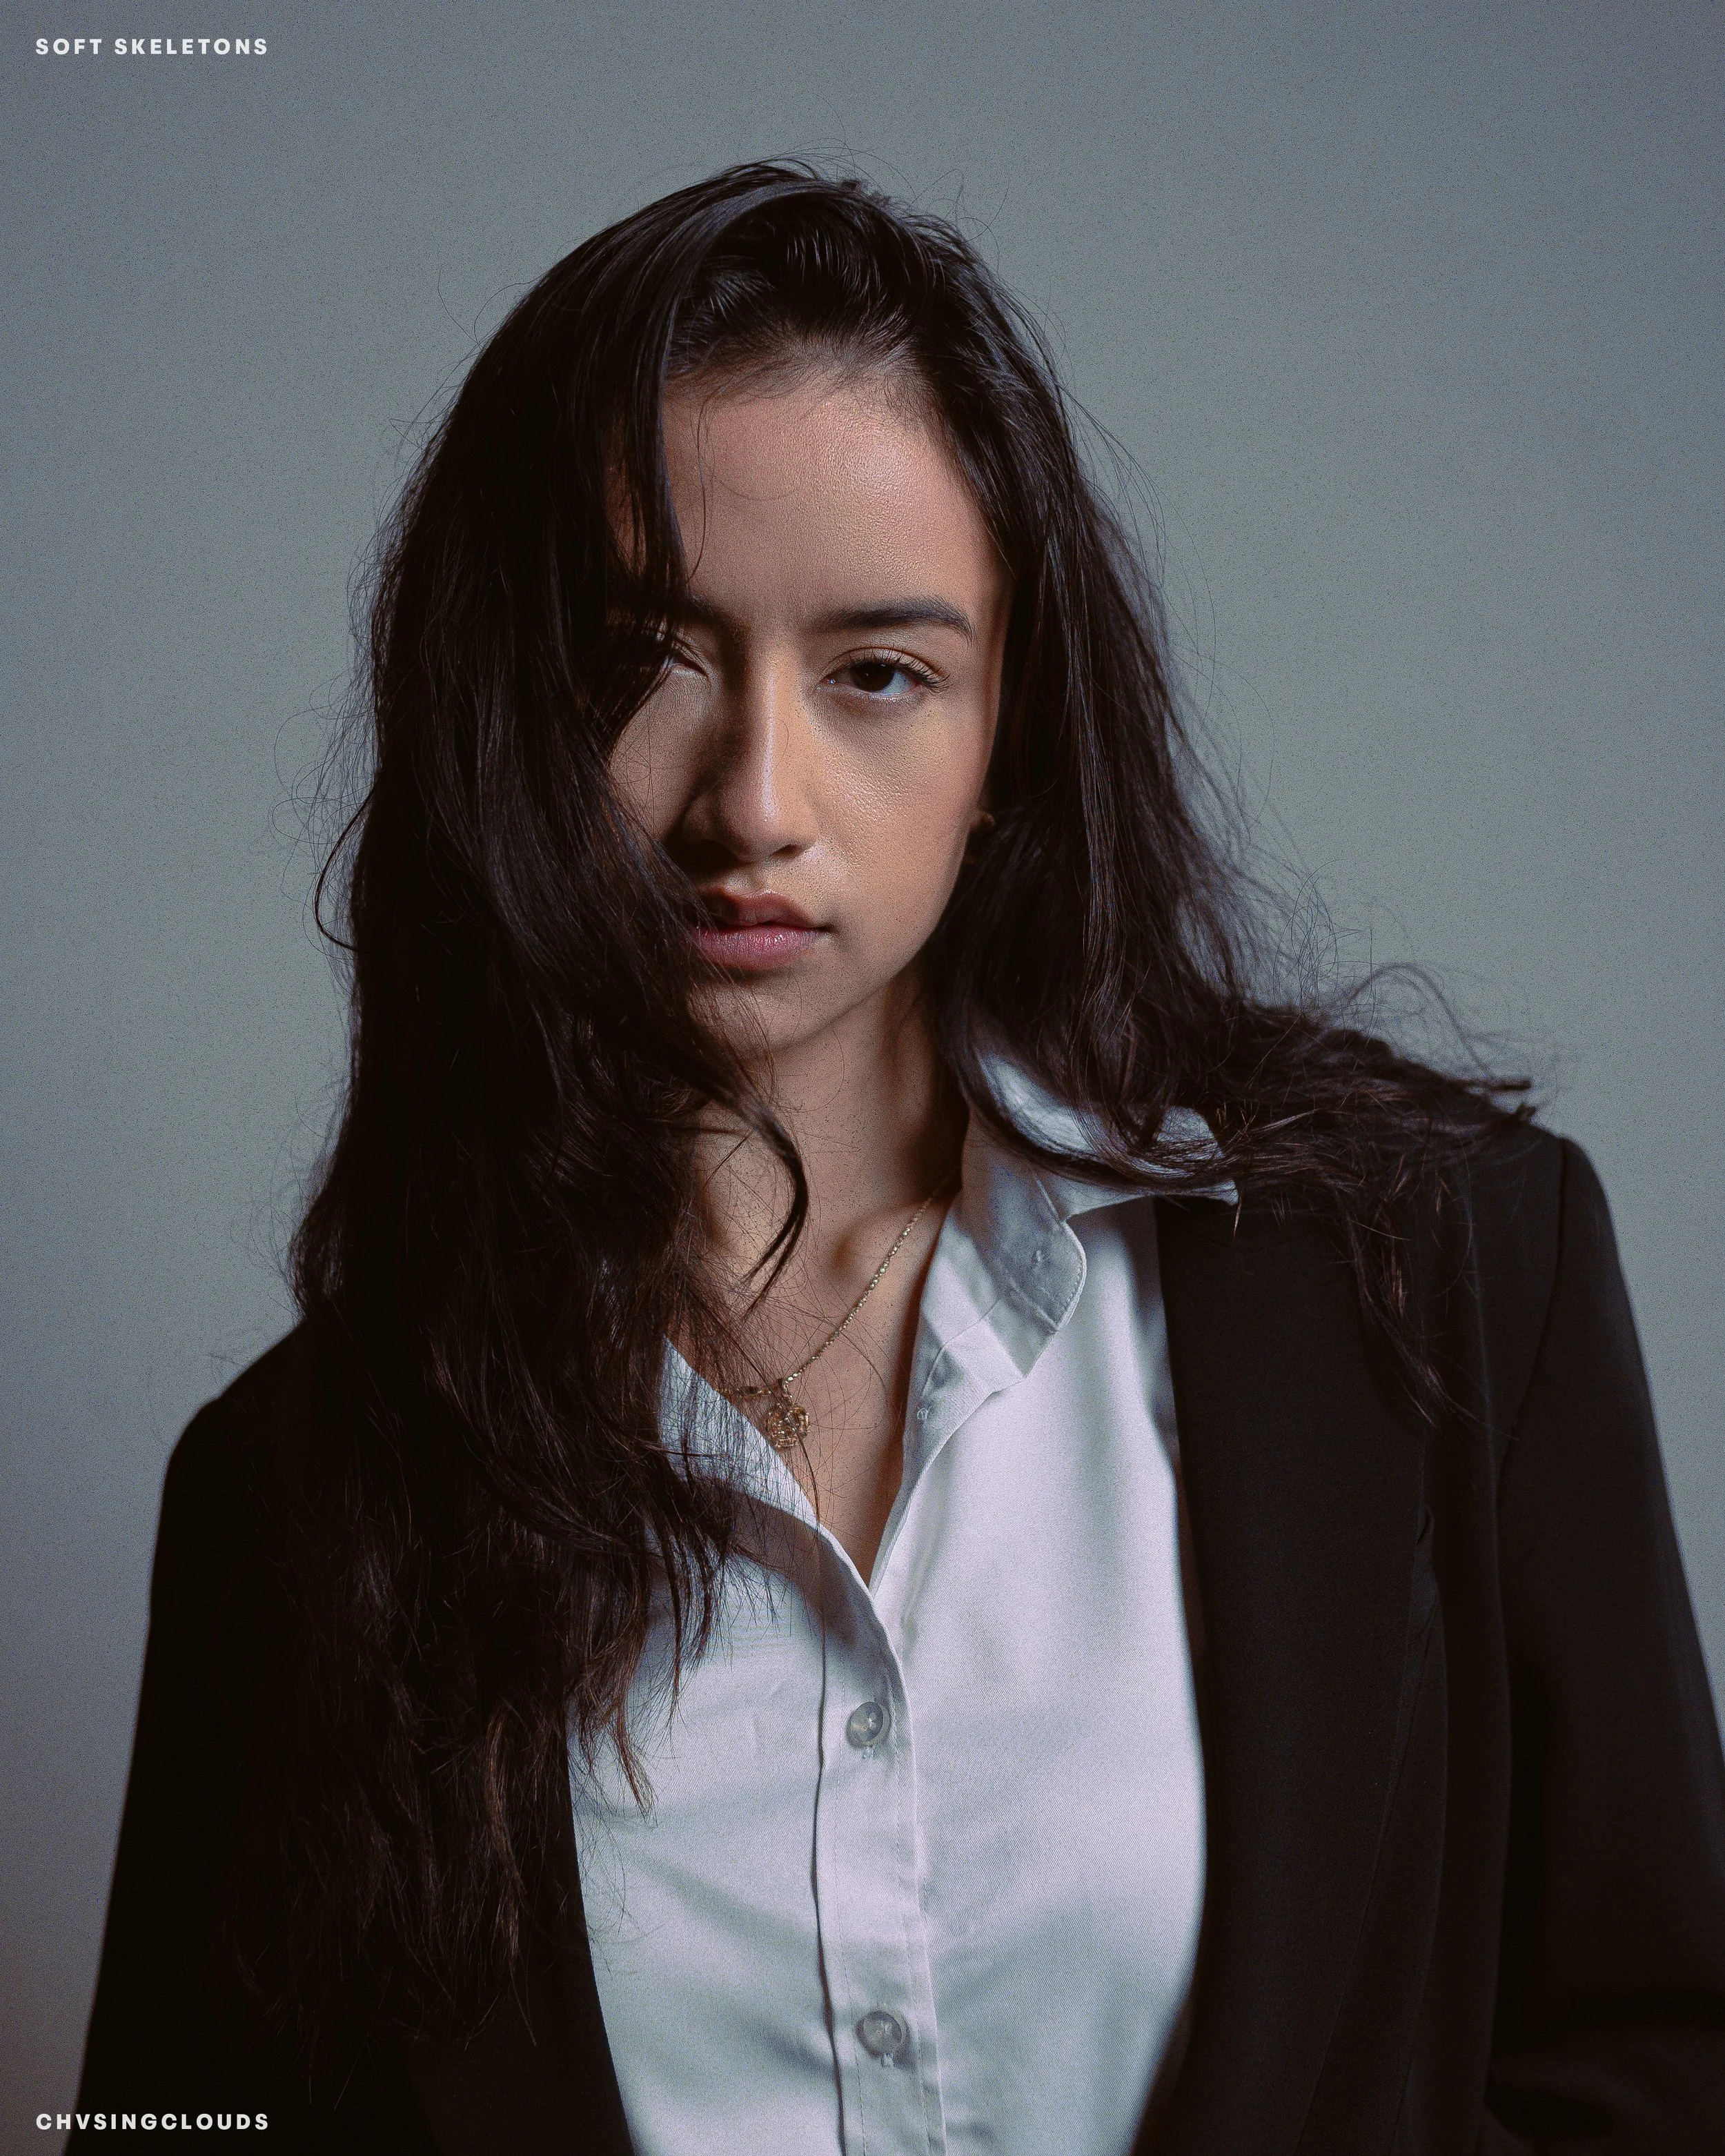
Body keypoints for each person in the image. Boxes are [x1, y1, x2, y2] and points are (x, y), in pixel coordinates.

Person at [74, 161, 1725, 2155]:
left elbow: (1656, 2060)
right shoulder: (299, 1493)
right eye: (640, 659)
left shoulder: (1447, 1263)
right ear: (500, 714)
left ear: (1008, 730)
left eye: (878, 673)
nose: (753, 804)